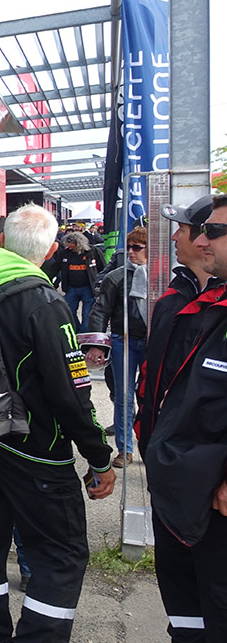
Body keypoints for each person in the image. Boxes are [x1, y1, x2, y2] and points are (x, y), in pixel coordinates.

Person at [0, 205, 115, 642]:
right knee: (60, 556)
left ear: (2, 243)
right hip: (36, 451)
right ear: (51, 251)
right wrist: (100, 458)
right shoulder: (45, 304)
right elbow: (73, 394)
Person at [141, 193, 227, 641]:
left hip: (213, 492)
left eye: (195, 229)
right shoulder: (175, 299)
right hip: (173, 479)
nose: (176, 236)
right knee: (181, 598)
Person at [86, 226, 147, 468]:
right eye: (129, 247)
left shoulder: (161, 275)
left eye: (137, 248)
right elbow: (100, 311)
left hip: (150, 341)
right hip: (125, 339)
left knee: (150, 395)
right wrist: (97, 345)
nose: (131, 252)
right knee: (123, 396)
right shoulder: (116, 277)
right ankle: (125, 449)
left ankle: (147, 444)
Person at [57, 231, 105, 328]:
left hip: (88, 288)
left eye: (72, 246)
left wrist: (100, 285)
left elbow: (103, 269)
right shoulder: (66, 253)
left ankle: (85, 334)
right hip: (71, 288)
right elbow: (56, 267)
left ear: (78, 244)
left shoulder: (93, 252)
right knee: (69, 312)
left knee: (87, 315)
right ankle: (77, 331)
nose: (70, 248)